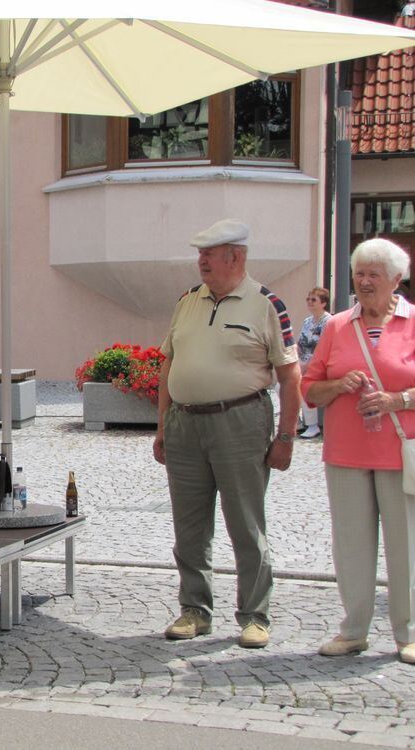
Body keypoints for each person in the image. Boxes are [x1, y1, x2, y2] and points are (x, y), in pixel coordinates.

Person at [152, 219, 301, 649]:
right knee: (189, 525)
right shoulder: (187, 301)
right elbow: (168, 365)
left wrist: (286, 437)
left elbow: (291, 378)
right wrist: (163, 425)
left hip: (241, 423)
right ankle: (194, 609)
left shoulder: (267, 304)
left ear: (235, 257)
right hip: (185, 425)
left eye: (209, 254)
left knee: (245, 523)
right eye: (199, 253)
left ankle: (255, 614)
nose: (200, 261)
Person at [301, 238, 415, 665]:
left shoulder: (413, 322)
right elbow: (309, 388)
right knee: (351, 545)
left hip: (398, 453)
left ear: (396, 281)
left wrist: (396, 401)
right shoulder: (336, 326)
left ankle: (408, 633)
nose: (364, 282)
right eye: (359, 274)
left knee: (405, 545)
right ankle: (353, 630)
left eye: (374, 275)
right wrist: (338, 385)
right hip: (347, 452)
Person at [297, 287, 331, 439]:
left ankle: (312, 425)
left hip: (320, 364)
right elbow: (300, 343)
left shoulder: (328, 322)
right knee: (281, 386)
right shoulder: (307, 321)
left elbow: (323, 347)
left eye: (313, 300)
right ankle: (296, 421)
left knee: (303, 384)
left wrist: (307, 365)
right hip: (303, 362)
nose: (310, 302)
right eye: (308, 299)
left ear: (323, 303)